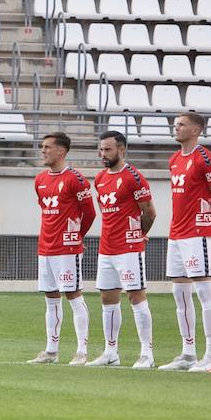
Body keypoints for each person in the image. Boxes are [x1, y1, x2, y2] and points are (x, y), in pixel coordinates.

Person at [159, 111, 211, 372]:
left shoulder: (204, 159)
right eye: (175, 124)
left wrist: (210, 234)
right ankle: (188, 352)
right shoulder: (175, 159)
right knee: (180, 293)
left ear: (196, 130)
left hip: (197, 234)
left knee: (203, 291)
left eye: (182, 124)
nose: (176, 127)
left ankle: (210, 355)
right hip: (176, 233)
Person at [88, 130, 157, 369]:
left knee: (136, 296)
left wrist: (139, 235)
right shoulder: (100, 178)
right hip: (107, 247)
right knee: (108, 298)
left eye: (108, 149)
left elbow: (149, 212)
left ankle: (147, 354)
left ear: (121, 150)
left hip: (129, 248)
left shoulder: (134, 177)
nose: (103, 154)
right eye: (101, 149)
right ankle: (110, 352)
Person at [29, 132, 96, 365]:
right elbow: (44, 209)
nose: (43, 151)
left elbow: (89, 213)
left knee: (73, 295)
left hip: (66, 249)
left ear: (61, 151)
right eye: (42, 146)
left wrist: (76, 237)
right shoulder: (40, 179)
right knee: (50, 297)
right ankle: (51, 351)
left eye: (47, 147)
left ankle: (81, 351)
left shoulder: (75, 179)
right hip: (45, 247)